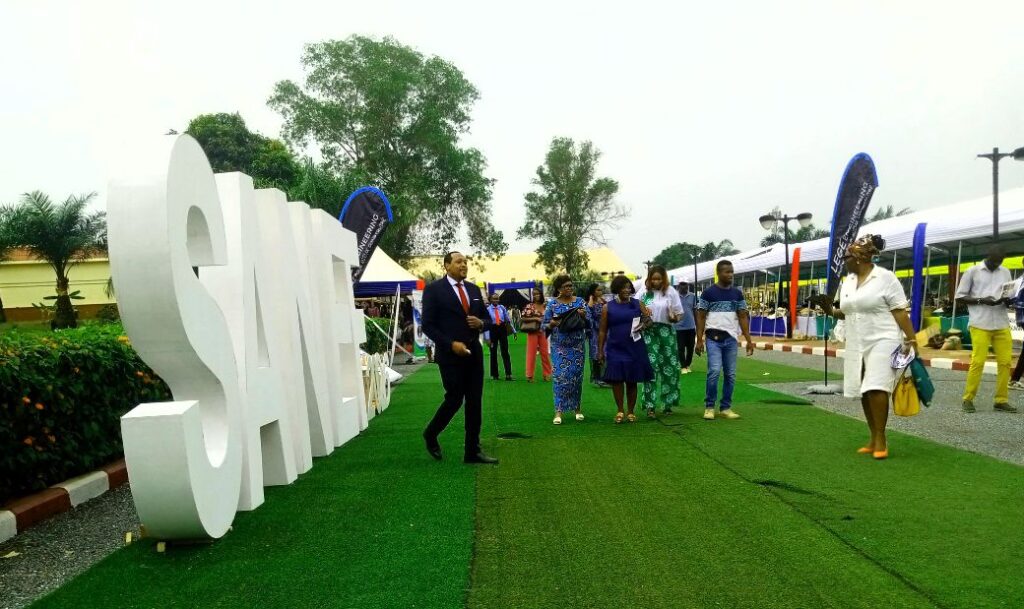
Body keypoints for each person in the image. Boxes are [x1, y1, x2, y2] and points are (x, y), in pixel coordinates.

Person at [815, 235, 918, 459]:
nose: (844, 260)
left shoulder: (885, 278)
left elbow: (899, 310)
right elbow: (848, 311)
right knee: (863, 388)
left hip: (884, 338)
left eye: (847, 256)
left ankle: (881, 438)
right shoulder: (848, 282)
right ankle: (873, 436)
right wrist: (830, 311)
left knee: (876, 386)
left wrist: (911, 339)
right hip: (857, 339)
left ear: (860, 258)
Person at [420, 251, 499, 464]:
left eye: (465, 262)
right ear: (446, 266)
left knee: (474, 401)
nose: (463, 265)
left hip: (473, 353)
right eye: (458, 262)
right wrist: (450, 344)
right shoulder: (434, 290)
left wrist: (481, 323)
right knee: (455, 399)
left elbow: (489, 320)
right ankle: (431, 433)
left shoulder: (474, 290)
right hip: (449, 355)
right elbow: (427, 325)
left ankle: (472, 451)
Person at [955, 245, 1018, 412]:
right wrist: (981, 300)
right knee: (978, 361)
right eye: (994, 261)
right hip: (980, 323)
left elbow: (1008, 293)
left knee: (1005, 362)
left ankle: (1001, 400)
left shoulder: (1005, 271)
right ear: (987, 256)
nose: (997, 264)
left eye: (1000, 262)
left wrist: (1008, 300)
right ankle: (968, 399)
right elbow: (959, 297)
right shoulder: (972, 271)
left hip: (1001, 322)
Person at [695, 260, 755, 421]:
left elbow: (743, 316)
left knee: (730, 375)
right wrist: (699, 340)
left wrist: (749, 340)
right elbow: (700, 316)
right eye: (727, 272)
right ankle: (709, 407)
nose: (730, 275)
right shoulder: (708, 293)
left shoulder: (737, 294)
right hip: (713, 339)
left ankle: (725, 407)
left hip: (730, 340)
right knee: (714, 371)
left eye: (731, 272)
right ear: (719, 273)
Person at [597, 275, 655, 423]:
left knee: (632, 380)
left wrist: (646, 323)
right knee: (617, 380)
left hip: (634, 347)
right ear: (617, 289)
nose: (627, 290)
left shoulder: (638, 304)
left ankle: (630, 411)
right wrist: (600, 350)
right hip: (615, 347)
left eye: (629, 287)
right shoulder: (607, 307)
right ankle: (620, 410)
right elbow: (602, 330)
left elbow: (648, 321)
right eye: (623, 287)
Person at [543, 275, 592, 424]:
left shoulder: (580, 302)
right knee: (560, 377)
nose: (569, 288)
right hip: (559, 346)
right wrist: (551, 324)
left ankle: (577, 409)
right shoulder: (552, 304)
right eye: (566, 286)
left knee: (576, 377)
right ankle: (558, 412)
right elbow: (544, 325)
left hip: (577, 346)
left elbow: (590, 322)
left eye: (571, 285)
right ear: (559, 289)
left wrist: (584, 316)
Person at [636, 265, 684, 417]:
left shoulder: (671, 292)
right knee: (651, 368)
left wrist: (674, 317)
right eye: (653, 279)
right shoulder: (644, 292)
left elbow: (679, 313)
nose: (656, 282)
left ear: (664, 279)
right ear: (649, 279)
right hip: (649, 332)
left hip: (666, 332)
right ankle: (650, 405)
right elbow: (634, 307)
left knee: (670, 368)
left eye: (659, 279)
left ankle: (668, 404)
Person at [522, 290, 553, 382]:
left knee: (545, 354)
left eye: (538, 293)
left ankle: (547, 374)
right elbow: (522, 318)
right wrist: (535, 318)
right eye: (534, 294)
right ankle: (529, 375)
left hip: (543, 331)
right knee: (531, 354)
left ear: (541, 294)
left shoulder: (545, 306)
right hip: (532, 332)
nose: (536, 295)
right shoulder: (530, 306)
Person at [485, 292, 517, 380]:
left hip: (502, 329)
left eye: (497, 298)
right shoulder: (487, 310)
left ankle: (508, 374)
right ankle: (494, 375)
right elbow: (486, 324)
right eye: (494, 299)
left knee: (505, 351)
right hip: (492, 330)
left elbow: (508, 320)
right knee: (493, 352)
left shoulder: (502, 308)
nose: (496, 300)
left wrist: (514, 331)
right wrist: (487, 338)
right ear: (490, 300)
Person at [585, 283, 608, 387]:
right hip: (594, 332)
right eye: (597, 290)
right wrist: (590, 299)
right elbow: (587, 313)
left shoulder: (603, 301)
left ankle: (605, 378)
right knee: (595, 354)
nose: (600, 292)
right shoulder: (590, 303)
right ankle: (597, 378)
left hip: (604, 330)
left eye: (601, 290)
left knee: (605, 352)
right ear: (593, 292)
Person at [675, 281, 697, 374]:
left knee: (691, 347)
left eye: (685, 285)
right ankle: (683, 366)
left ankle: (688, 364)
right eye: (682, 285)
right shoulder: (674, 296)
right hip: (678, 327)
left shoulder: (693, 296)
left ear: (688, 286)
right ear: (678, 286)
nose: (684, 287)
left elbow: (695, 310)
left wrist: (697, 324)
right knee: (680, 347)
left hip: (691, 326)